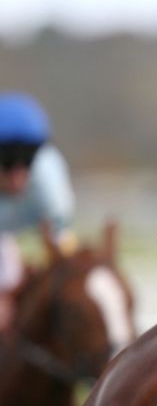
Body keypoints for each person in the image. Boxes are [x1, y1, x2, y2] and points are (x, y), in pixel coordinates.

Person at [0, 92, 76, 333]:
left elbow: (59, 239)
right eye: (6, 163)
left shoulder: (48, 174)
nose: (17, 179)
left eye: (26, 162)